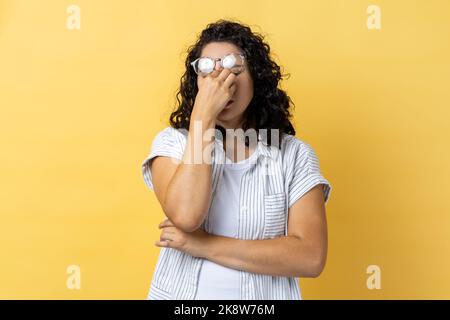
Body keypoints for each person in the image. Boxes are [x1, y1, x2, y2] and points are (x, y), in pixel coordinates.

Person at [141, 19, 332, 300]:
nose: (221, 80)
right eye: (207, 69)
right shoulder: (174, 143)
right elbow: (186, 216)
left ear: (256, 75)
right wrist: (202, 118)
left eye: (232, 66)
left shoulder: (294, 155)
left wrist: (203, 245)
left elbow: (310, 257)